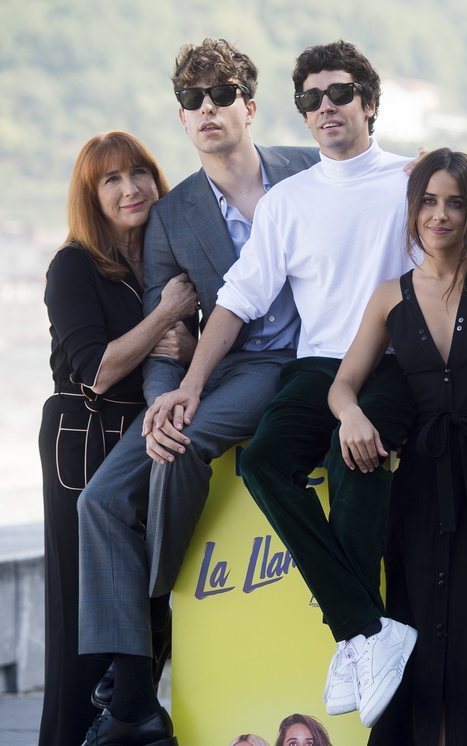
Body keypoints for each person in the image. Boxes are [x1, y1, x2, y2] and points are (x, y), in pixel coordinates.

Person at [143, 41, 467, 729]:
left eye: (339, 93)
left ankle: (364, 637)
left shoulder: (415, 181)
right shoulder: (288, 203)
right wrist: (191, 386)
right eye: (311, 99)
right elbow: (237, 301)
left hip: (395, 372)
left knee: (358, 477)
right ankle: (363, 631)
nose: (325, 108)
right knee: (262, 461)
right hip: (320, 368)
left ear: (369, 103)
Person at [77, 39, 319, 745]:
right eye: (192, 100)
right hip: (232, 365)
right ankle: (136, 690)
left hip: (307, 363)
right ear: (182, 119)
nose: (207, 108)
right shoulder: (172, 216)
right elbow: (168, 325)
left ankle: (140, 656)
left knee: (176, 453)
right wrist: (159, 398)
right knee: (100, 499)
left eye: (220, 95)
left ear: (249, 104)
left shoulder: (308, 170)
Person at [328, 148, 467, 745]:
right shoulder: (388, 296)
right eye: (429, 201)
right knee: (418, 624)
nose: (441, 214)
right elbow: (343, 384)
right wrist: (351, 415)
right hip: (420, 487)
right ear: (412, 210)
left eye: (456, 202)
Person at [37, 131, 197, 746]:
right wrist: (163, 316)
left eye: (139, 174)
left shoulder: (169, 260)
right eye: (112, 180)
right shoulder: (73, 265)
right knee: (83, 626)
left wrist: (185, 341)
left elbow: (190, 349)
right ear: (91, 195)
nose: (131, 189)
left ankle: (129, 717)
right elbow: (96, 369)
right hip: (84, 440)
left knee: (153, 604)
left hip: (149, 437)